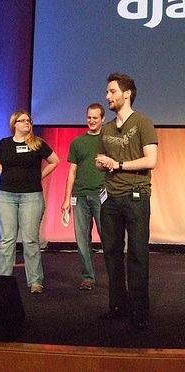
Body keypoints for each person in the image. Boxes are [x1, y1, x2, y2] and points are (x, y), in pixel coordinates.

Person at [95, 73, 158, 329]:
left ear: (127, 93)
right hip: (110, 198)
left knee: (138, 254)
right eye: (108, 92)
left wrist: (118, 164)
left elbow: (151, 160)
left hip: (136, 196)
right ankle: (118, 305)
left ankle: (140, 309)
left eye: (112, 91)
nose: (108, 96)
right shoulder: (107, 128)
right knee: (111, 253)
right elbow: (100, 160)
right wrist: (102, 163)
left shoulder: (143, 123)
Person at [0, 109, 59, 294]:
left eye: (29, 121)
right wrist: (6, 176)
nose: (27, 123)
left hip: (31, 196)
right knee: (7, 240)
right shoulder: (4, 144)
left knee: (31, 241)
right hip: (6, 195)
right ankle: (2, 281)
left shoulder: (38, 144)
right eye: (22, 121)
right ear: (14, 124)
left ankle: (35, 282)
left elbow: (55, 161)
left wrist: (39, 176)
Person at [61, 103, 105, 290]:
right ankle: (87, 277)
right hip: (79, 197)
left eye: (95, 117)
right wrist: (66, 198)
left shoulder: (108, 140)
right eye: (89, 117)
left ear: (103, 119)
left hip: (102, 196)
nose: (92, 121)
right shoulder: (78, 142)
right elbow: (72, 172)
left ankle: (116, 277)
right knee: (82, 240)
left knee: (109, 238)